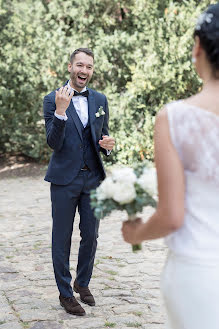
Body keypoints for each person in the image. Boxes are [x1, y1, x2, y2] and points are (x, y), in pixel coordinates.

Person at [122, 4, 219, 329]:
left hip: (200, 273)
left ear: (198, 48)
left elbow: (172, 216)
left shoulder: (176, 118)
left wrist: (136, 233)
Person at [43, 48, 115, 316]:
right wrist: (61, 112)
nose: (84, 71)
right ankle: (65, 293)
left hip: (92, 178)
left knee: (91, 236)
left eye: (89, 67)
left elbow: (102, 135)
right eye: (80, 65)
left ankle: (82, 283)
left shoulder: (100, 99)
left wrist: (107, 145)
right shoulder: (52, 99)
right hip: (63, 179)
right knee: (61, 239)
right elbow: (53, 142)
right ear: (70, 66)